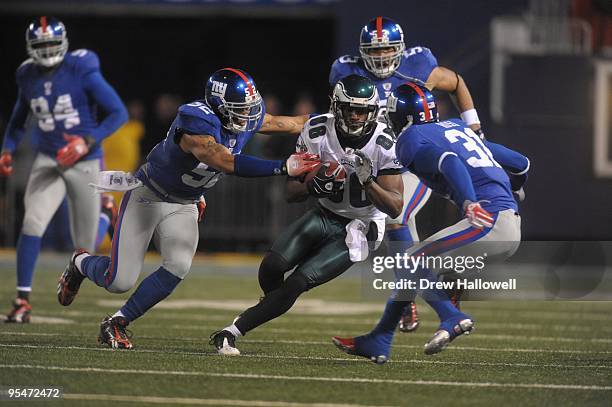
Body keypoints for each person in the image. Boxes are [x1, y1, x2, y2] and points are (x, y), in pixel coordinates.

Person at [56, 67, 318, 349]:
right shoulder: (195, 120)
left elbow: (290, 123)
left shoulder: (243, 117)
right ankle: (80, 263)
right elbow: (222, 160)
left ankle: (116, 322)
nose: (249, 115)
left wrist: (332, 120)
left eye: (250, 107)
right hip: (149, 195)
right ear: (219, 107)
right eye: (240, 109)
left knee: (177, 266)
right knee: (118, 281)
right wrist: (283, 166)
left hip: (186, 202)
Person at [209, 74, 404, 356]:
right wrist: (314, 184)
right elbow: (291, 192)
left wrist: (368, 182)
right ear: (336, 107)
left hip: (362, 228)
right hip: (326, 213)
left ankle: (231, 331)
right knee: (272, 267)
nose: (356, 116)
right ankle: (273, 304)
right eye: (350, 108)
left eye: (362, 110)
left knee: (298, 282)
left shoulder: (384, 142)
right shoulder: (316, 131)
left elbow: (395, 207)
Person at [333, 82, 529, 362]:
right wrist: (516, 187)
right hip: (505, 222)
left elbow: (450, 161)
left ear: (404, 116)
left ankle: (450, 317)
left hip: (489, 221)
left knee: (409, 260)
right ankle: (380, 339)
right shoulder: (457, 128)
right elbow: (521, 163)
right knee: (415, 263)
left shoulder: (409, 138)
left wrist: (468, 201)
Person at [330, 16, 485, 332]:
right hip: (384, 161)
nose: (382, 57)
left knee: (395, 218)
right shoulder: (347, 71)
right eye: (375, 51)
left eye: (388, 50)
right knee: (401, 230)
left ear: (399, 49)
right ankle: (423, 293)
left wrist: (474, 124)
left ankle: (413, 296)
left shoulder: (418, 64)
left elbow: (455, 82)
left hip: (415, 159)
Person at [1, 16, 128, 323]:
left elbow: (118, 113)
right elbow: (19, 119)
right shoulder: (26, 74)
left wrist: (86, 141)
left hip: (83, 159)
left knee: (84, 246)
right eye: (40, 45)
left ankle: (103, 212)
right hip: (48, 158)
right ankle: (22, 301)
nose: (46, 51)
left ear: (63, 43)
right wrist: (7, 148)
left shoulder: (81, 67)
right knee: (32, 223)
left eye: (50, 44)